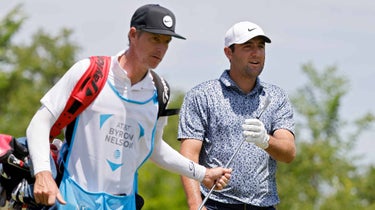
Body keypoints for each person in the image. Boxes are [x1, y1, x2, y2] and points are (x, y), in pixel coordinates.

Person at [26, 4, 231, 210]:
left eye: (167, 42)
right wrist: (42, 172)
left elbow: (155, 148)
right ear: (133, 35)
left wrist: (203, 173)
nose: (161, 49)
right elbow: (40, 123)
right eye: (155, 39)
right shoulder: (89, 71)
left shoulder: (160, 91)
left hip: (123, 204)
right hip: (72, 200)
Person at [178, 21, 296, 210]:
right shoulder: (202, 96)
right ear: (228, 53)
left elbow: (288, 152)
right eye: (247, 46)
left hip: (264, 205)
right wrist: (195, 204)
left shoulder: (276, 97)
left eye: (260, 46)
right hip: (216, 204)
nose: (256, 53)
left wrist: (265, 140)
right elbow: (189, 154)